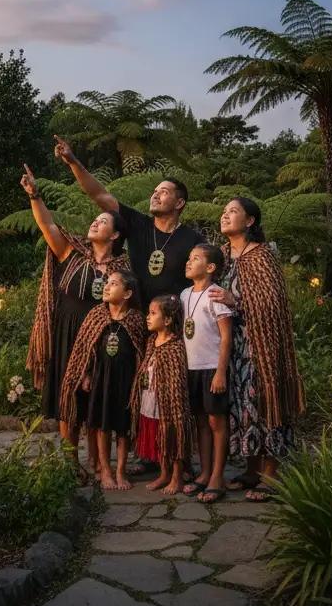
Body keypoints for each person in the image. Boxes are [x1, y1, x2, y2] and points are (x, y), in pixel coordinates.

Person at [54, 135, 204, 476]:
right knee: (140, 391)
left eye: (164, 191)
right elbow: (98, 194)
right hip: (138, 321)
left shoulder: (193, 238)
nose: (156, 194)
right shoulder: (137, 224)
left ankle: (181, 457)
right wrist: (73, 161)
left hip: (175, 325)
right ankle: (149, 453)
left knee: (177, 394)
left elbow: (207, 271)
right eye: (156, 190)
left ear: (179, 203)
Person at [22, 164, 129, 483]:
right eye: (96, 220)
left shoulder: (121, 269)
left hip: (99, 339)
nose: (96, 222)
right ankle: (71, 462)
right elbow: (47, 225)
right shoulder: (72, 252)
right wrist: (34, 195)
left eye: (103, 221)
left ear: (115, 235)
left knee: (95, 400)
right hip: (67, 334)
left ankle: (99, 463)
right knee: (68, 401)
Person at [209, 196, 304, 502]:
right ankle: (251, 469)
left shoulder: (261, 257)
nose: (225, 216)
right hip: (230, 346)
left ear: (249, 221)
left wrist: (236, 302)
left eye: (232, 212)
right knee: (240, 406)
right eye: (224, 212)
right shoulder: (222, 256)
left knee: (264, 402)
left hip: (259, 344)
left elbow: (273, 304)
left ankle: (271, 474)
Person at [59, 270, 146, 490]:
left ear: (127, 293)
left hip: (126, 381)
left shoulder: (136, 319)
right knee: (102, 425)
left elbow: (143, 352)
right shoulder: (96, 315)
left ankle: (121, 470)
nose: (106, 287)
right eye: (107, 283)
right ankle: (105, 469)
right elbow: (84, 349)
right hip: (101, 379)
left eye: (113, 284)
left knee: (124, 427)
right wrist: (86, 374)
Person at [180, 243, 233, 503]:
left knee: (216, 421)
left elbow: (225, 338)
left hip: (212, 368)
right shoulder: (184, 295)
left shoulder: (216, 295)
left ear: (210, 267)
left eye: (195, 258)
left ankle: (217, 477)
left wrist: (221, 372)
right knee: (201, 420)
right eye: (189, 258)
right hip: (191, 368)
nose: (188, 262)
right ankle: (205, 472)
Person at [129, 294, 193, 495]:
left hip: (170, 404)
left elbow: (177, 381)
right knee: (159, 437)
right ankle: (164, 473)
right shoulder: (151, 341)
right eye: (148, 312)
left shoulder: (175, 346)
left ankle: (176, 476)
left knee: (172, 435)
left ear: (167, 320)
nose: (148, 317)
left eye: (153, 313)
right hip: (151, 397)